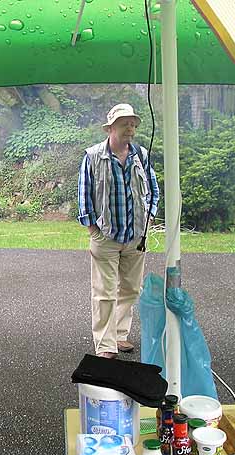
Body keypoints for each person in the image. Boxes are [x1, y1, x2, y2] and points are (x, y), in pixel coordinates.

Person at [77, 103, 160, 359]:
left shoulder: (141, 155)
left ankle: (119, 334)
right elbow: (84, 197)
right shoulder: (92, 156)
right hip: (106, 237)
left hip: (136, 237)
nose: (130, 129)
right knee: (104, 293)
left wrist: (149, 218)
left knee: (131, 289)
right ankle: (105, 344)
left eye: (133, 124)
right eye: (125, 124)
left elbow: (153, 190)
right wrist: (94, 230)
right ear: (110, 128)